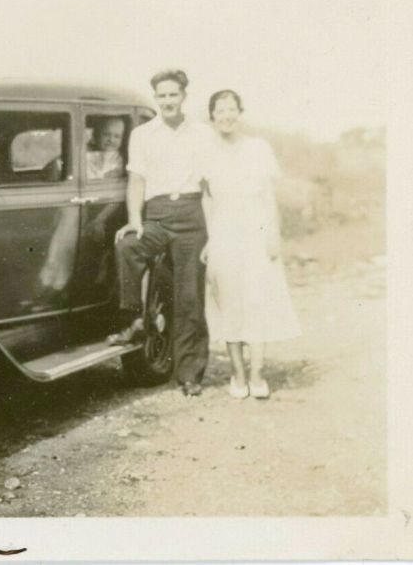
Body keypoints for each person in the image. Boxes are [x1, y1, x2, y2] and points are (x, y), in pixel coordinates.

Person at [110, 68, 213, 397]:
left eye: (173, 94)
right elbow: (136, 180)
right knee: (128, 246)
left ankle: (190, 374)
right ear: (155, 98)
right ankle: (135, 321)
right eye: (162, 95)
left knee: (189, 299)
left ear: (184, 96)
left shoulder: (201, 133)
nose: (167, 101)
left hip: (191, 215)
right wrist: (134, 220)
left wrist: (214, 231)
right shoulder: (142, 134)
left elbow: (211, 185)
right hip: (156, 215)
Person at [202, 90, 300, 399]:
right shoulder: (205, 151)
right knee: (229, 303)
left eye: (232, 109)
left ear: (240, 113)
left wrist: (273, 235)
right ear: (212, 115)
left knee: (257, 301)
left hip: (256, 233)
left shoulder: (258, 148)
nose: (227, 115)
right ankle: (237, 374)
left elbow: (269, 197)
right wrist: (208, 238)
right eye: (220, 110)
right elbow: (206, 197)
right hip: (223, 234)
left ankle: (257, 374)